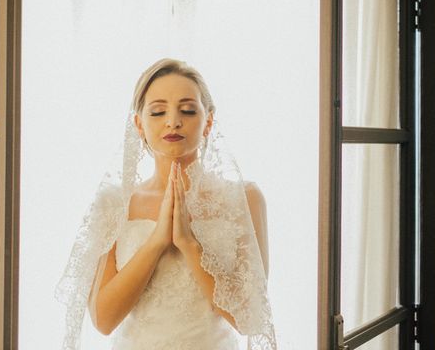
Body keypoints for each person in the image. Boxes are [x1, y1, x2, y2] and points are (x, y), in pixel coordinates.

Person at [55, 58, 277, 349]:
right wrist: (157, 241)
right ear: (139, 124)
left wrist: (189, 243)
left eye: (187, 110)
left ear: (208, 121)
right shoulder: (114, 203)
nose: (173, 121)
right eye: (158, 112)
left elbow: (250, 319)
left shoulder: (245, 199)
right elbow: (103, 319)